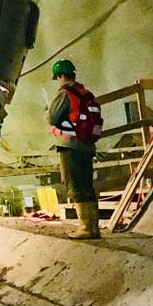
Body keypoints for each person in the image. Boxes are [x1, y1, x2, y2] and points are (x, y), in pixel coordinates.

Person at [47, 59, 104, 239]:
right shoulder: (87, 93)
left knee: (75, 185)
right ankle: (93, 227)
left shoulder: (65, 93)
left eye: (58, 77)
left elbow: (52, 118)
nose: (58, 81)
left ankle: (86, 228)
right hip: (87, 146)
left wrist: (47, 110)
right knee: (87, 185)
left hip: (70, 146)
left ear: (62, 76)